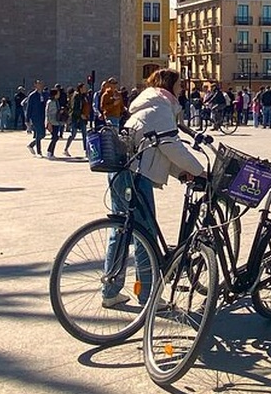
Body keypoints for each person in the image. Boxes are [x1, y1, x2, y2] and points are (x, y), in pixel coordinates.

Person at [105, 68, 204, 307]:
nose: (182, 90)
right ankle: (147, 295)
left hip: (120, 173)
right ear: (170, 86)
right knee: (144, 234)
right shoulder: (160, 108)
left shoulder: (146, 105)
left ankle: (110, 291)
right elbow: (170, 145)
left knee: (121, 231)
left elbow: (157, 147)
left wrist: (182, 172)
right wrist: (200, 170)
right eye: (180, 85)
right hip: (137, 177)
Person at [64, 83, 90, 157]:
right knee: (73, 134)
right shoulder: (76, 96)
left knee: (85, 135)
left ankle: (86, 151)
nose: (85, 89)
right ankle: (66, 149)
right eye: (84, 88)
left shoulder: (84, 96)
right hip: (75, 118)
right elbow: (74, 109)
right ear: (80, 88)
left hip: (82, 119)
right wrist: (81, 115)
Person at [25, 80, 46, 156]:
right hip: (35, 117)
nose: (40, 85)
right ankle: (39, 151)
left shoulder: (44, 94)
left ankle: (31, 145)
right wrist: (27, 119)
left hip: (42, 117)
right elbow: (29, 107)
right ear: (35, 85)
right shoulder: (32, 96)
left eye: (41, 83)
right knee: (38, 133)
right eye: (38, 84)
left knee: (43, 134)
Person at [44, 88, 62, 159]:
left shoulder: (56, 101)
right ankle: (49, 152)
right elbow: (47, 113)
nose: (59, 94)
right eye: (58, 93)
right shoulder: (50, 102)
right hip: (52, 122)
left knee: (55, 137)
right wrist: (48, 123)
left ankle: (51, 152)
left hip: (56, 121)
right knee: (54, 137)